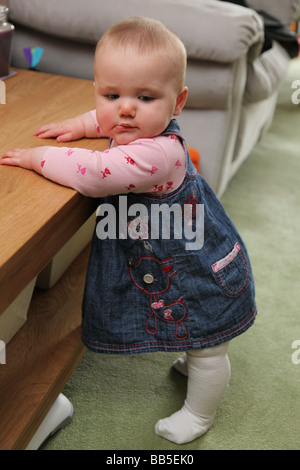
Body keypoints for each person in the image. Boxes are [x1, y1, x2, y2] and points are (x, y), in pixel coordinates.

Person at [0, 17, 256, 445]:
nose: (125, 109)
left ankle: (199, 414)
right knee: (195, 336)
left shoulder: (159, 154)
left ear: (178, 103)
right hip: (171, 260)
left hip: (196, 269)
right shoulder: (134, 123)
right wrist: (83, 126)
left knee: (210, 348)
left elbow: (97, 173)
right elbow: (112, 121)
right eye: (111, 94)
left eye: (145, 97)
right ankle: (192, 353)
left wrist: (37, 157)